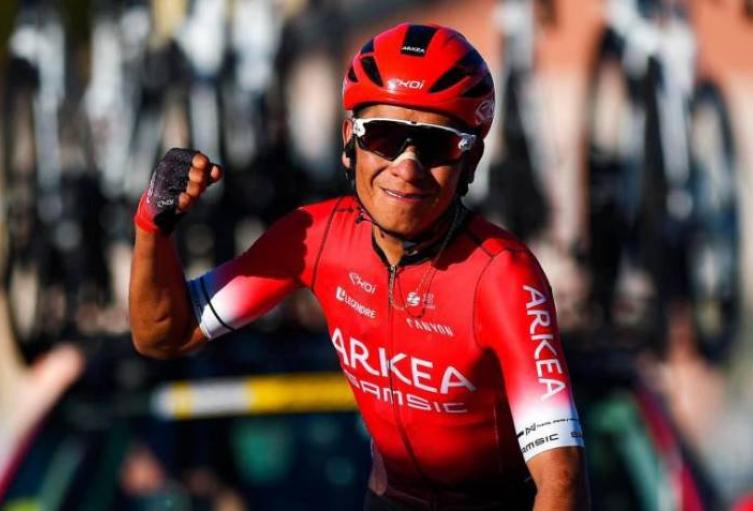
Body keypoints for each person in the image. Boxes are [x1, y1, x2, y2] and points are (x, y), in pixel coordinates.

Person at [129, 23, 589, 511]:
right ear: (350, 139)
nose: (406, 166)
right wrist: (152, 225)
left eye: (436, 145)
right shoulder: (314, 237)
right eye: (385, 137)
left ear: (469, 159)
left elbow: (561, 479)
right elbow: (164, 335)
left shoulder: (502, 275)